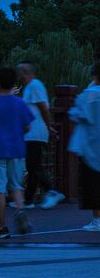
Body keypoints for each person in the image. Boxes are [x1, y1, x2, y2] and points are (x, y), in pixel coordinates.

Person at [0, 67, 34, 239]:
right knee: (16, 185)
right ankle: (20, 209)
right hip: (17, 150)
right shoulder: (19, 103)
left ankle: (2, 226)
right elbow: (27, 126)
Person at [18, 62, 65, 209]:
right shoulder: (30, 87)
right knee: (33, 166)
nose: (18, 75)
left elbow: (43, 107)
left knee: (33, 165)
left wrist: (48, 126)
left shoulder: (35, 85)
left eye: (19, 72)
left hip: (35, 132)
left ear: (25, 72)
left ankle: (51, 191)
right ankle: (28, 200)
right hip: (32, 132)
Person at [68, 62, 100, 231]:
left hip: (91, 147)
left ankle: (97, 219)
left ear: (93, 75)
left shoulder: (87, 96)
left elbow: (75, 114)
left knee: (94, 184)